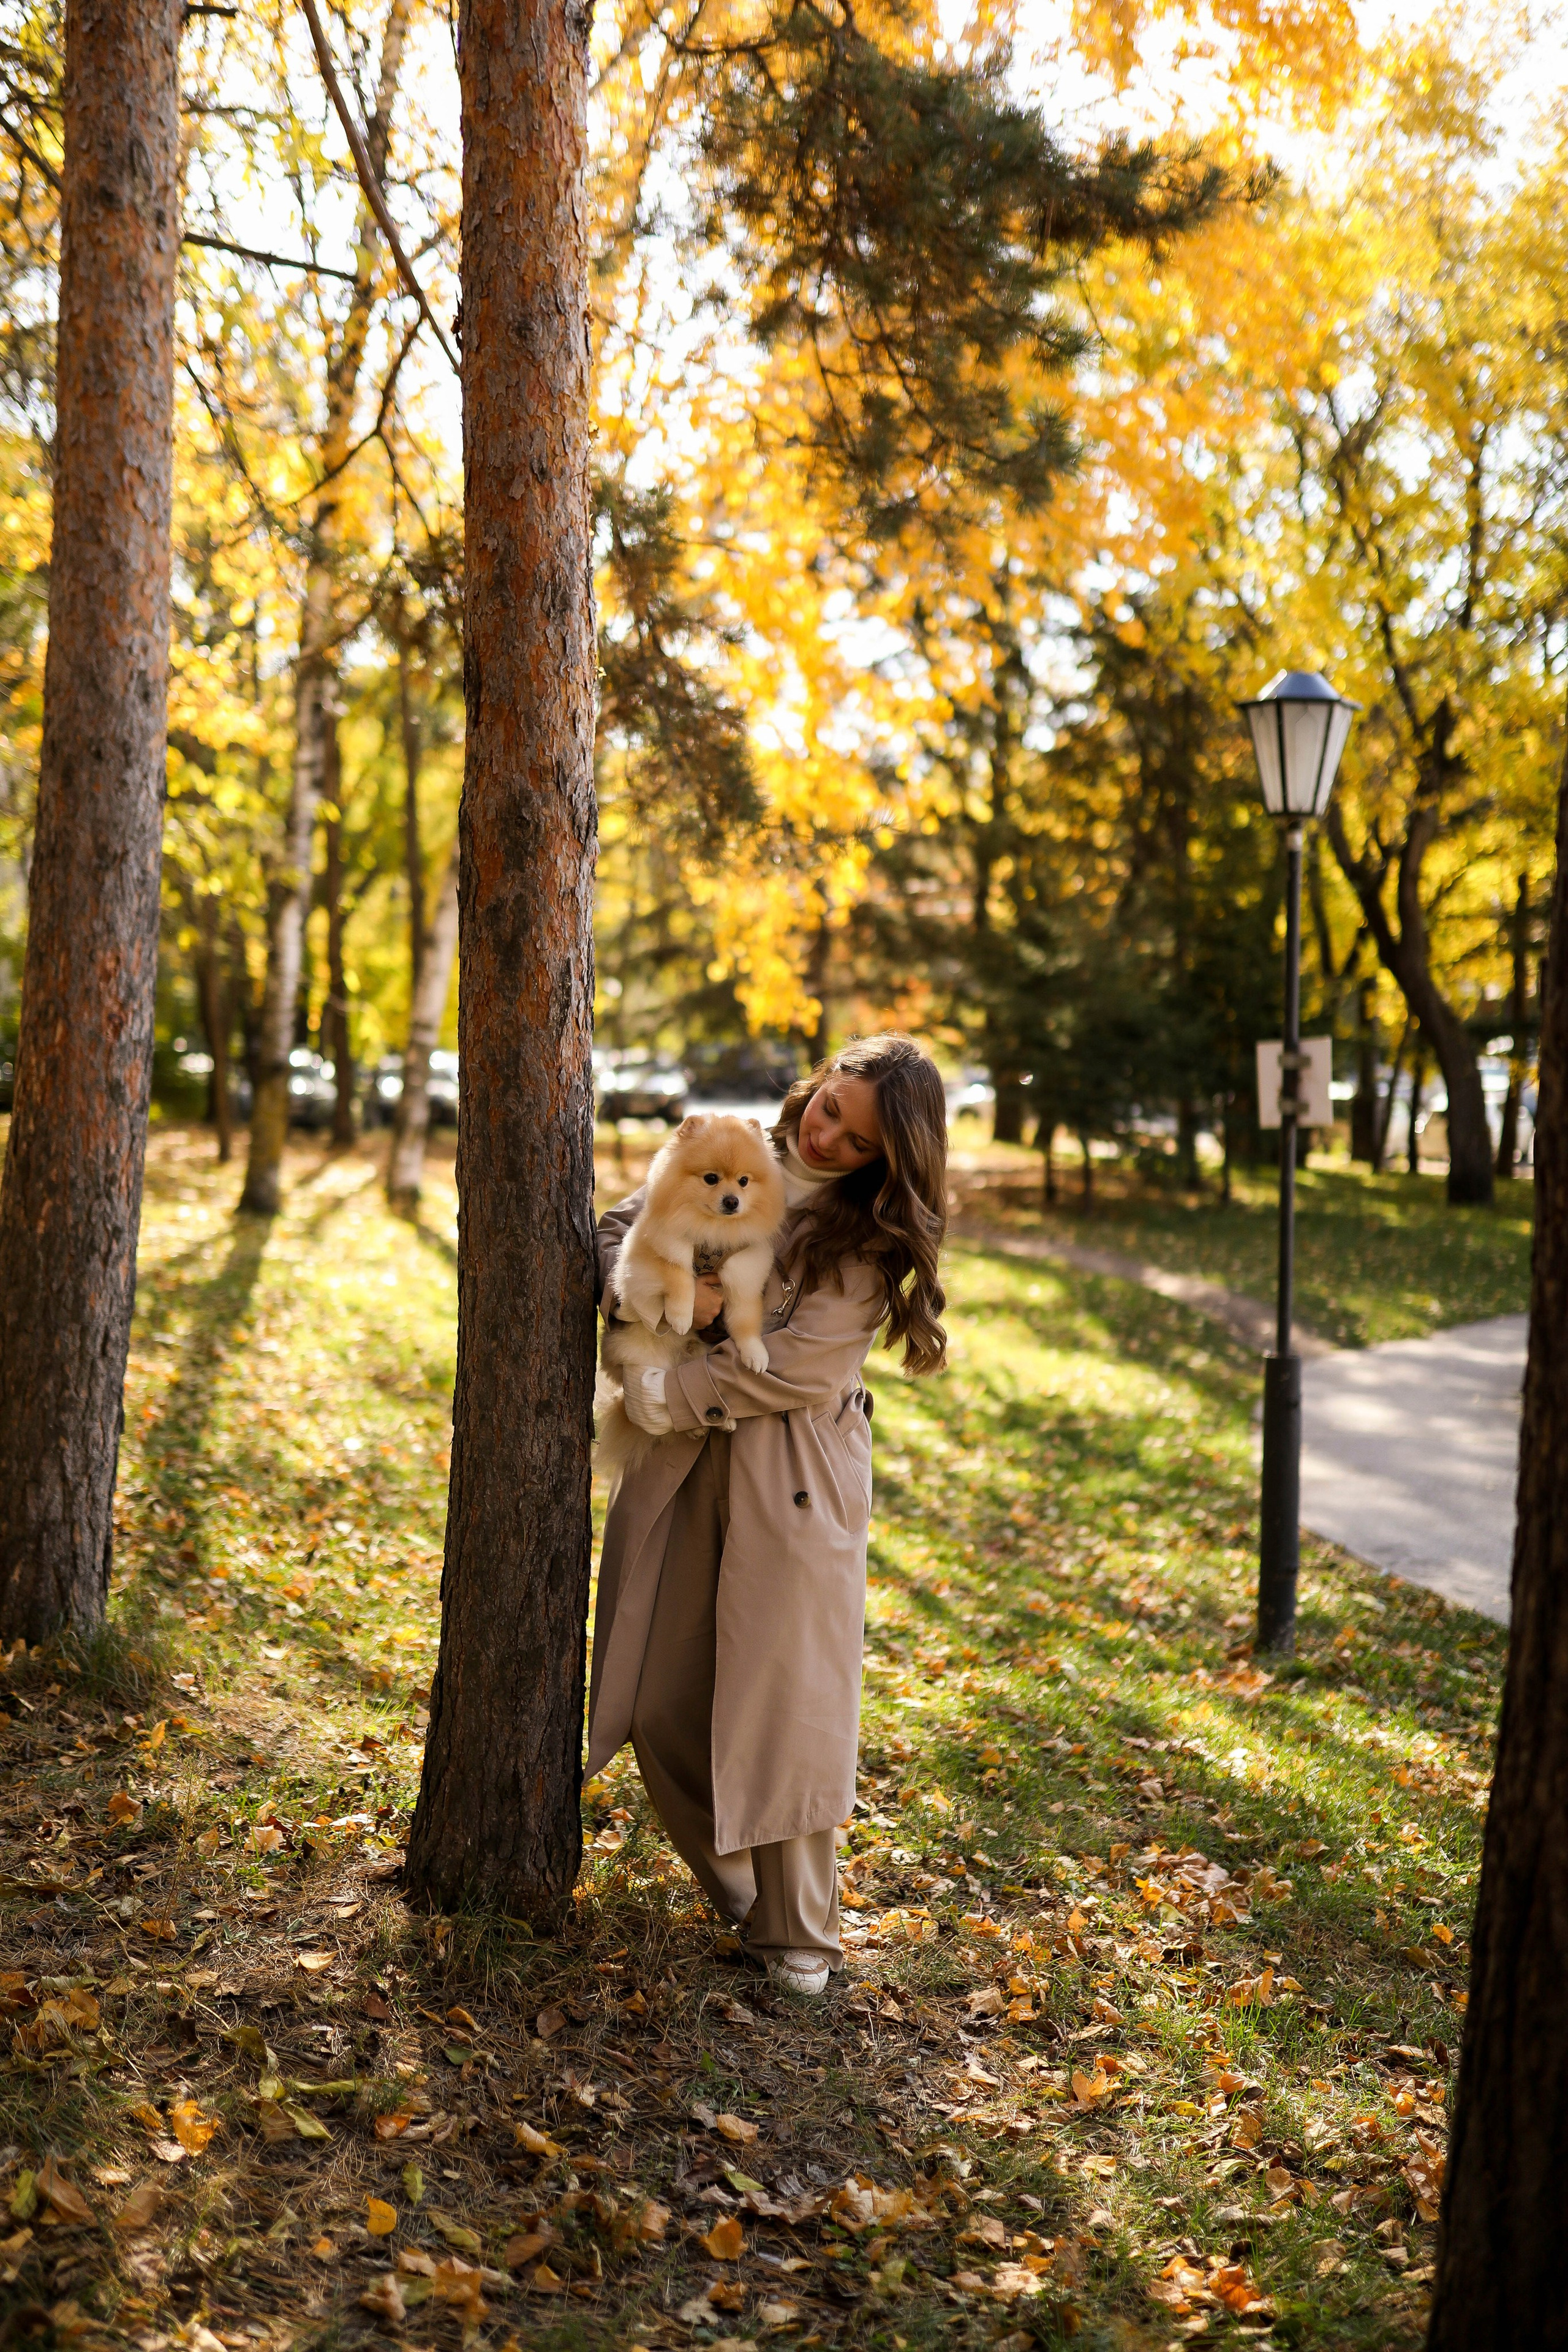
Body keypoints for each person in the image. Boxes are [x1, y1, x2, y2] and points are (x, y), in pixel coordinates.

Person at [587, 1033, 949, 1993]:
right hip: (681, 1463)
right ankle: (741, 1891)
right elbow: (617, 1229)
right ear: (819, 1082)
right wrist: (673, 1290)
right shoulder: (728, 1145)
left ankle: (801, 1934)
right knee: (657, 1697)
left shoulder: (865, 1239)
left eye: (859, 1140)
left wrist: (677, 1376)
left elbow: (802, 1366)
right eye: (832, 1107)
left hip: (792, 1477)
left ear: (888, 1159)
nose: (829, 1138)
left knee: (786, 1708)